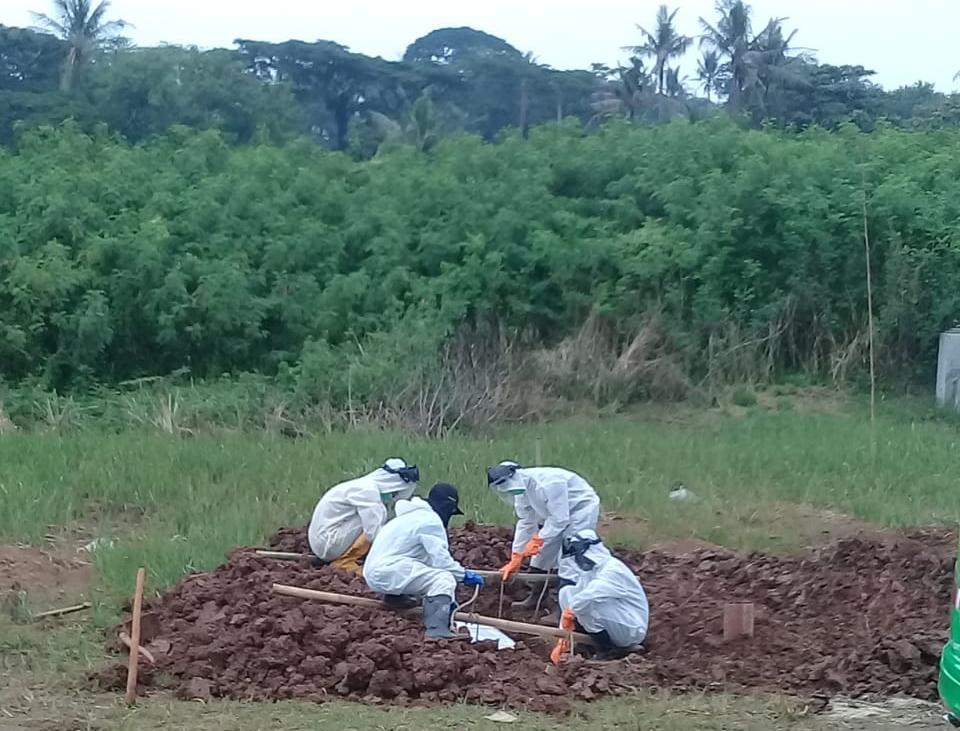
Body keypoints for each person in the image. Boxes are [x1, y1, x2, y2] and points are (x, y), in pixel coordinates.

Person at [363, 483, 485, 639]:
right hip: (388, 571)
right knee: (443, 579)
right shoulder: (430, 521)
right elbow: (442, 562)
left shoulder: (408, 518)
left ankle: (395, 597)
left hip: (375, 572)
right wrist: (463, 575)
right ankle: (437, 629)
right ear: (447, 507)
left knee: (422, 566)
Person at [486, 461, 601, 622]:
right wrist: (517, 555)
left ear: (515, 475)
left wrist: (539, 538)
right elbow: (526, 521)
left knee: (567, 558)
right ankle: (535, 599)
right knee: (541, 555)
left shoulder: (549, 483)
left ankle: (560, 608)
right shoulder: (521, 491)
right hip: (556, 517)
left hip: (579, 511)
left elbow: (560, 519)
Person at [549, 529, 649, 664]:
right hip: (615, 621)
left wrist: (569, 615)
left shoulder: (612, 570)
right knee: (567, 592)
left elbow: (589, 596)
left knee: (585, 605)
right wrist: (563, 637)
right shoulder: (592, 571)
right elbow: (575, 595)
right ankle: (587, 641)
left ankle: (606, 650)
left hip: (630, 629)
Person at [307, 458, 419, 574]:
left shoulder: (364, 486)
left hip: (323, 541)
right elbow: (374, 533)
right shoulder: (368, 492)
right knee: (374, 520)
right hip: (327, 545)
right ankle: (344, 562)